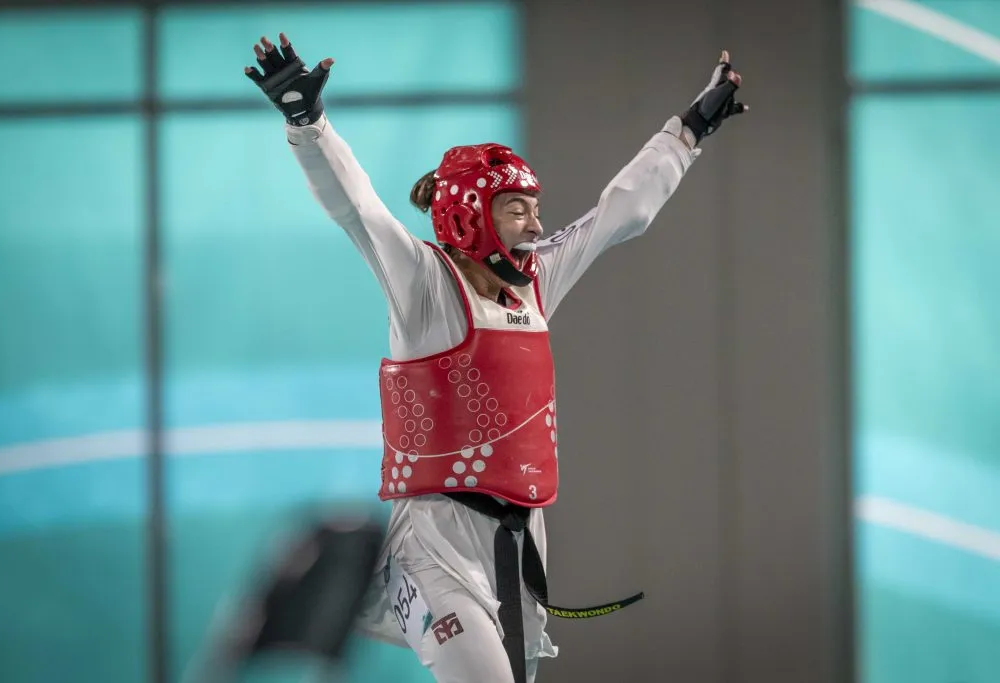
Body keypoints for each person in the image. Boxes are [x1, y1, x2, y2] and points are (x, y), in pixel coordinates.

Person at [245, 33, 746, 683]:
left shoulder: (536, 282)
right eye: (517, 211)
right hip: (434, 547)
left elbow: (621, 212)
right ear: (468, 217)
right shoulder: (424, 284)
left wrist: (688, 132)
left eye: (535, 211)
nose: (537, 227)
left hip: (521, 541)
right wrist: (307, 121)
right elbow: (358, 209)